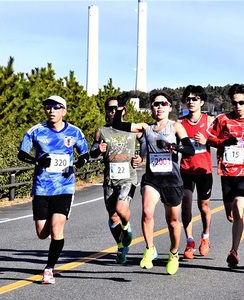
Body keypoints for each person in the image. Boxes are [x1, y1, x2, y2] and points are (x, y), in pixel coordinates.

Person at [112, 92, 195, 275]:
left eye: (163, 104)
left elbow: (190, 150)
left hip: (172, 180)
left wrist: (174, 147)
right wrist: (120, 106)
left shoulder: (176, 127)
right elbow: (118, 125)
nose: (160, 107)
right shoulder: (146, 128)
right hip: (152, 179)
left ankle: (174, 254)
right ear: (152, 108)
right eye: (156, 104)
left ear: (170, 108)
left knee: (173, 222)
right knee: (147, 212)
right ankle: (150, 248)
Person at [18, 95, 89, 284]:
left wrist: (81, 161)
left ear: (64, 111)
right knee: (42, 234)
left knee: (57, 228)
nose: (51, 110)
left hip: (65, 186)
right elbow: (21, 154)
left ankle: (49, 269)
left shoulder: (74, 132)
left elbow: (85, 152)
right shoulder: (36, 131)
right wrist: (37, 160)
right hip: (42, 188)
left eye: (56, 107)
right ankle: (50, 222)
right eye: (48, 107)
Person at [207, 84, 244, 267]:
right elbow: (209, 137)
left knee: (237, 206)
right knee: (231, 215)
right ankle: (240, 223)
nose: (238, 106)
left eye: (242, 102)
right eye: (235, 103)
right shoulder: (222, 119)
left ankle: (233, 251)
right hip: (226, 172)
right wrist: (224, 142)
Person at [90, 95, 144, 264]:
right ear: (107, 112)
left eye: (116, 108)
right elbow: (92, 151)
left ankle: (127, 228)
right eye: (110, 109)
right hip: (110, 179)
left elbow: (146, 143)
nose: (113, 112)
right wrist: (98, 149)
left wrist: (141, 157)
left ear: (123, 110)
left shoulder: (132, 129)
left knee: (121, 210)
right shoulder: (102, 131)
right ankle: (121, 246)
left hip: (128, 177)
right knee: (113, 217)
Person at [178, 85, 214, 259]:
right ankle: (189, 241)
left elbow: (218, 140)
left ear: (202, 102)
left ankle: (205, 236)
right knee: (186, 205)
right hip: (186, 170)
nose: (191, 102)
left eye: (195, 99)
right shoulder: (180, 124)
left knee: (204, 206)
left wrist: (207, 140)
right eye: (189, 99)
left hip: (204, 170)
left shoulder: (209, 121)